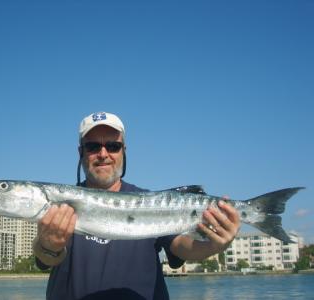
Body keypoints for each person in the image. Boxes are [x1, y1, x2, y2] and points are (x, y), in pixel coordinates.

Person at [33, 112, 240, 300]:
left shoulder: (153, 203)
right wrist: (49, 246)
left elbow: (183, 247)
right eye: (93, 146)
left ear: (124, 150)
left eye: (113, 146)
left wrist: (215, 245)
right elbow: (44, 258)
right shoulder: (61, 204)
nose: (103, 154)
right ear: (81, 152)